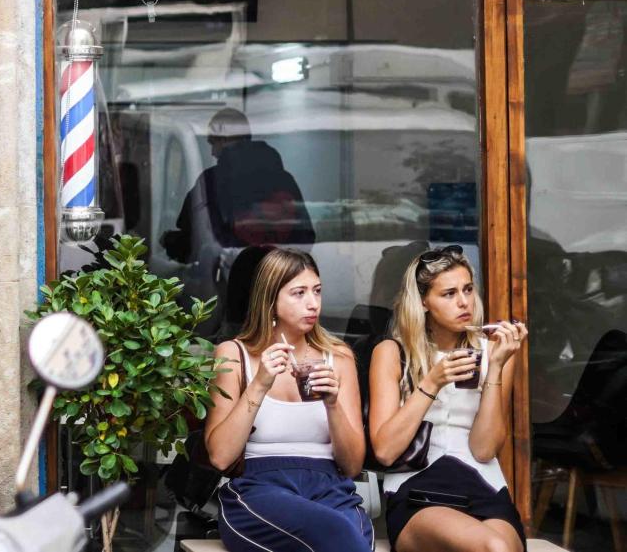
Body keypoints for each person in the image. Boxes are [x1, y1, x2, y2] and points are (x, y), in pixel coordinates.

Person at [204, 247, 372, 552]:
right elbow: (220, 457)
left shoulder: (339, 358)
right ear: (270, 300)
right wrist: (259, 385)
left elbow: (351, 465)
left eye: (317, 291)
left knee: (350, 536)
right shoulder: (234, 354)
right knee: (340, 535)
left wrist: (333, 404)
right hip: (260, 487)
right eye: (298, 293)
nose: (313, 303)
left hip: (330, 488)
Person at [369, 245, 527, 552]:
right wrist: (432, 382)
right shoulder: (392, 352)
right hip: (419, 490)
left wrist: (495, 367)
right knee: (491, 546)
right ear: (424, 301)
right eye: (449, 294)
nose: (464, 302)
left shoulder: (494, 351)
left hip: (485, 484)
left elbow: (484, 449)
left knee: (500, 548)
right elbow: (386, 451)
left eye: (468, 289)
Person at [163, 109, 315, 264]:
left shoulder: (211, 181)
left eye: (212, 142)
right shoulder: (285, 180)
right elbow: (306, 237)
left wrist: (168, 242)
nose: (212, 152)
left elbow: (196, 239)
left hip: (228, 279)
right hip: (279, 277)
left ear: (223, 140)